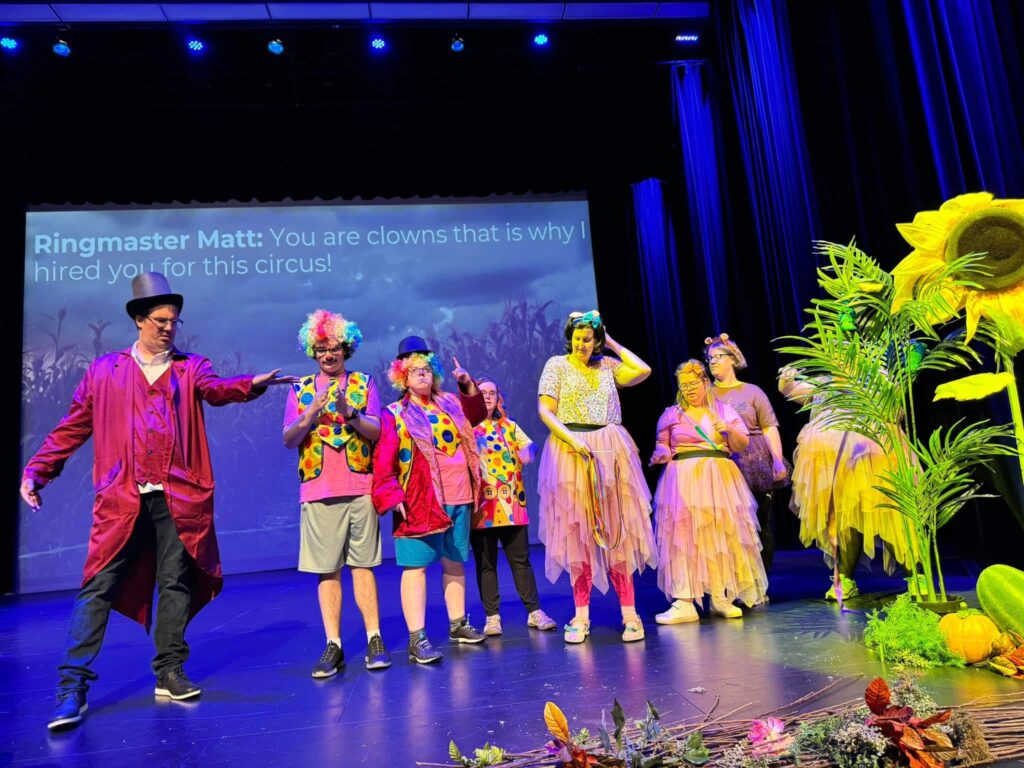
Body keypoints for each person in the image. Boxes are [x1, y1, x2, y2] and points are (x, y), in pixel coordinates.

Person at [20, 273, 296, 731]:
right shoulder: (105, 371)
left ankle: (169, 670)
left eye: (174, 320)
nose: (169, 327)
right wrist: (37, 471)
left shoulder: (190, 368)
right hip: (120, 497)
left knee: (176, 582)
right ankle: (72, 688)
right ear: (139, 320)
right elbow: (72, 427)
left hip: (178, 496)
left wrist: (253, 382)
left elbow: (217, 389)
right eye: (160, 320)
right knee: (97, 587)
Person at [536, 310, 657, 644]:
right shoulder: (556, 365)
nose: (581, 344)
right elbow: (545, 410)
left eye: (587, 339)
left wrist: (611, 341)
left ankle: (630, 616)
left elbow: (643, 370)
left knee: (617, 531)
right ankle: (580, 616)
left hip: (609, 447)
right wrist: (573, 440)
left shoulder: (607, 366)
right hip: (570, 449)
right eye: (576, 338)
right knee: (579, 535)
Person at [283, 309, 390, 677]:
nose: (329, 355)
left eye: (335, 348)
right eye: (321, 349)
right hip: (317, 490)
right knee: (327, 570)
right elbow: (288, 438)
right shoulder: (300, 389)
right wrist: (311, 410)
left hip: (360, 486)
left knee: (363, 567)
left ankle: (374, 638)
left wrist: (349, 412)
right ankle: (334, 645)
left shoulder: (364, 383)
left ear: (347, 349)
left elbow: (375, 432)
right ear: (312, 351)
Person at [371, 336, 487, 664]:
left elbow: (477, 414)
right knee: (415, 568)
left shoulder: (450, 401)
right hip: (421, 501)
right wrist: (391, 494)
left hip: (459, 496)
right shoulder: (395, 413)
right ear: (402, 378)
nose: (421, 374)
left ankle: (457, 623)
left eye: (426, 369)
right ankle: (416, 637)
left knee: (454, 562)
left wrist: (466, 384)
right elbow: (383, 460)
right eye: (414, 370)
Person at [779, 368, 916, 599]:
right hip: (836, 458)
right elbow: (792, 391)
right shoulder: (824, 382)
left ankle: (916, 577)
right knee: (844, 520)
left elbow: (897, 411)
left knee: (888, 516)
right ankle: (845, 579)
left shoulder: (876, 376)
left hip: (873, 455)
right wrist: (787, 379)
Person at [650, 360, 768, 622]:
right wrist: (659, 455)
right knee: (683, 536)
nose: (689, 389)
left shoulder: (723, 411)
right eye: (684, 385)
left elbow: (741, 444)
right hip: (682, 477)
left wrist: (728, 430)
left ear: (705, 382)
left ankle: (719, 596)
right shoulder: (672, 414)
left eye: (693, 383)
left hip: (718, 477)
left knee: (718, 535)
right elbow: (663, 446)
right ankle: (684, 601)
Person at [470, 377, 557, 636]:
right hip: (482, 508)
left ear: (499, 398)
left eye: (491, 392)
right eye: (481, 392)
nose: (486, 396)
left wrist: (530, 449)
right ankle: (492, 617)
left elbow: (530, 444)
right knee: (486, 564)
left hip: (511, 504)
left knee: (521, 561)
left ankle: (534, 612)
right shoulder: (467, 428)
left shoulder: (510, 426)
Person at [704, 333, 789, 574]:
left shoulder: (752, 392)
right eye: (709, 358)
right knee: (730, 526)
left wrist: (777, 461)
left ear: (732, 359)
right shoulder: (707, 394)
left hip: (755, 460)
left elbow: (769, 427)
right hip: (725, 460)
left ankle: (761, 580)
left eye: (717, 357)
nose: (712, 362)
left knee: (761, 524)